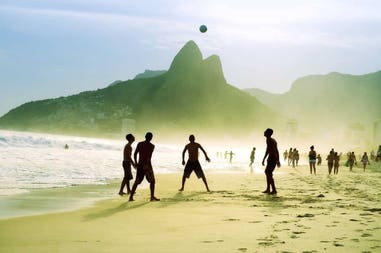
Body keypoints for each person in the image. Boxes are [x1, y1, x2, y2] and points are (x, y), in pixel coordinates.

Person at [129, 132, 160, 201]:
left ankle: (131, 197)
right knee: (152, 181)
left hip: (140, 164)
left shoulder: (140, 144)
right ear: (151, 138)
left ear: (145, 136)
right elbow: (149, 157)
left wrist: (136, 162)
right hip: (147, 165)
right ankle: (152, 197)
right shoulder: (152, 146)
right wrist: (146, 165)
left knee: (137, 181)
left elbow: (135, 154)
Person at [262, 128, 280, 195]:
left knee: (268, 172)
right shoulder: (272, 140)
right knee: (268, 173)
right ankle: (268, 189)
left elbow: (271, 150)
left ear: (268, 133)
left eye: (265, 131)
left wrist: (277, 160)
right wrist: (278, 160)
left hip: (272, 158)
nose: (264, 132)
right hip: (272, 158)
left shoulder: (269, 140)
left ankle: (274, 189)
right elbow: (274, 150)